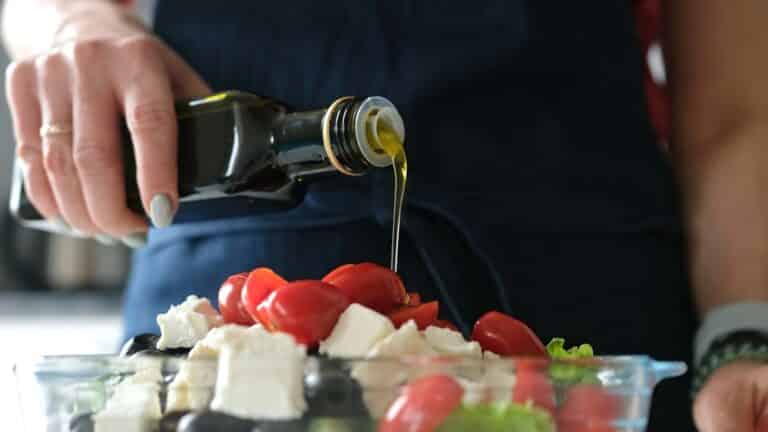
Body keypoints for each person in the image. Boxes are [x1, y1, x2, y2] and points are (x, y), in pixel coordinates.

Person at [4, 1, 768, 430]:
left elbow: (739, 114)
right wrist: (76, 24)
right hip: (220, 319)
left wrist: (742, 338)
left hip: (586, 311)